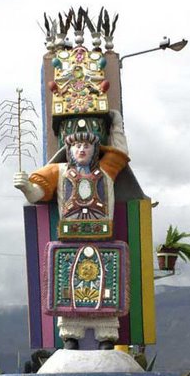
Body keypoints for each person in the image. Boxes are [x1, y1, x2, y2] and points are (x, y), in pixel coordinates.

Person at [13, 110, 129, 349]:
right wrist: (26, 187)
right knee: (68, 289)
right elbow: (38, 194)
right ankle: (70, 336)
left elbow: (121, 153)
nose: (82, 150)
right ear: (68, 149)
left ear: (95, 149)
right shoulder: (60, 171)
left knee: (105, 288)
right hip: (70, 240)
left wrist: (117, 124)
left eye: (87, 145)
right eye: (76, 145)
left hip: (102, 240)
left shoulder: (105, 170)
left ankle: (106, 335)